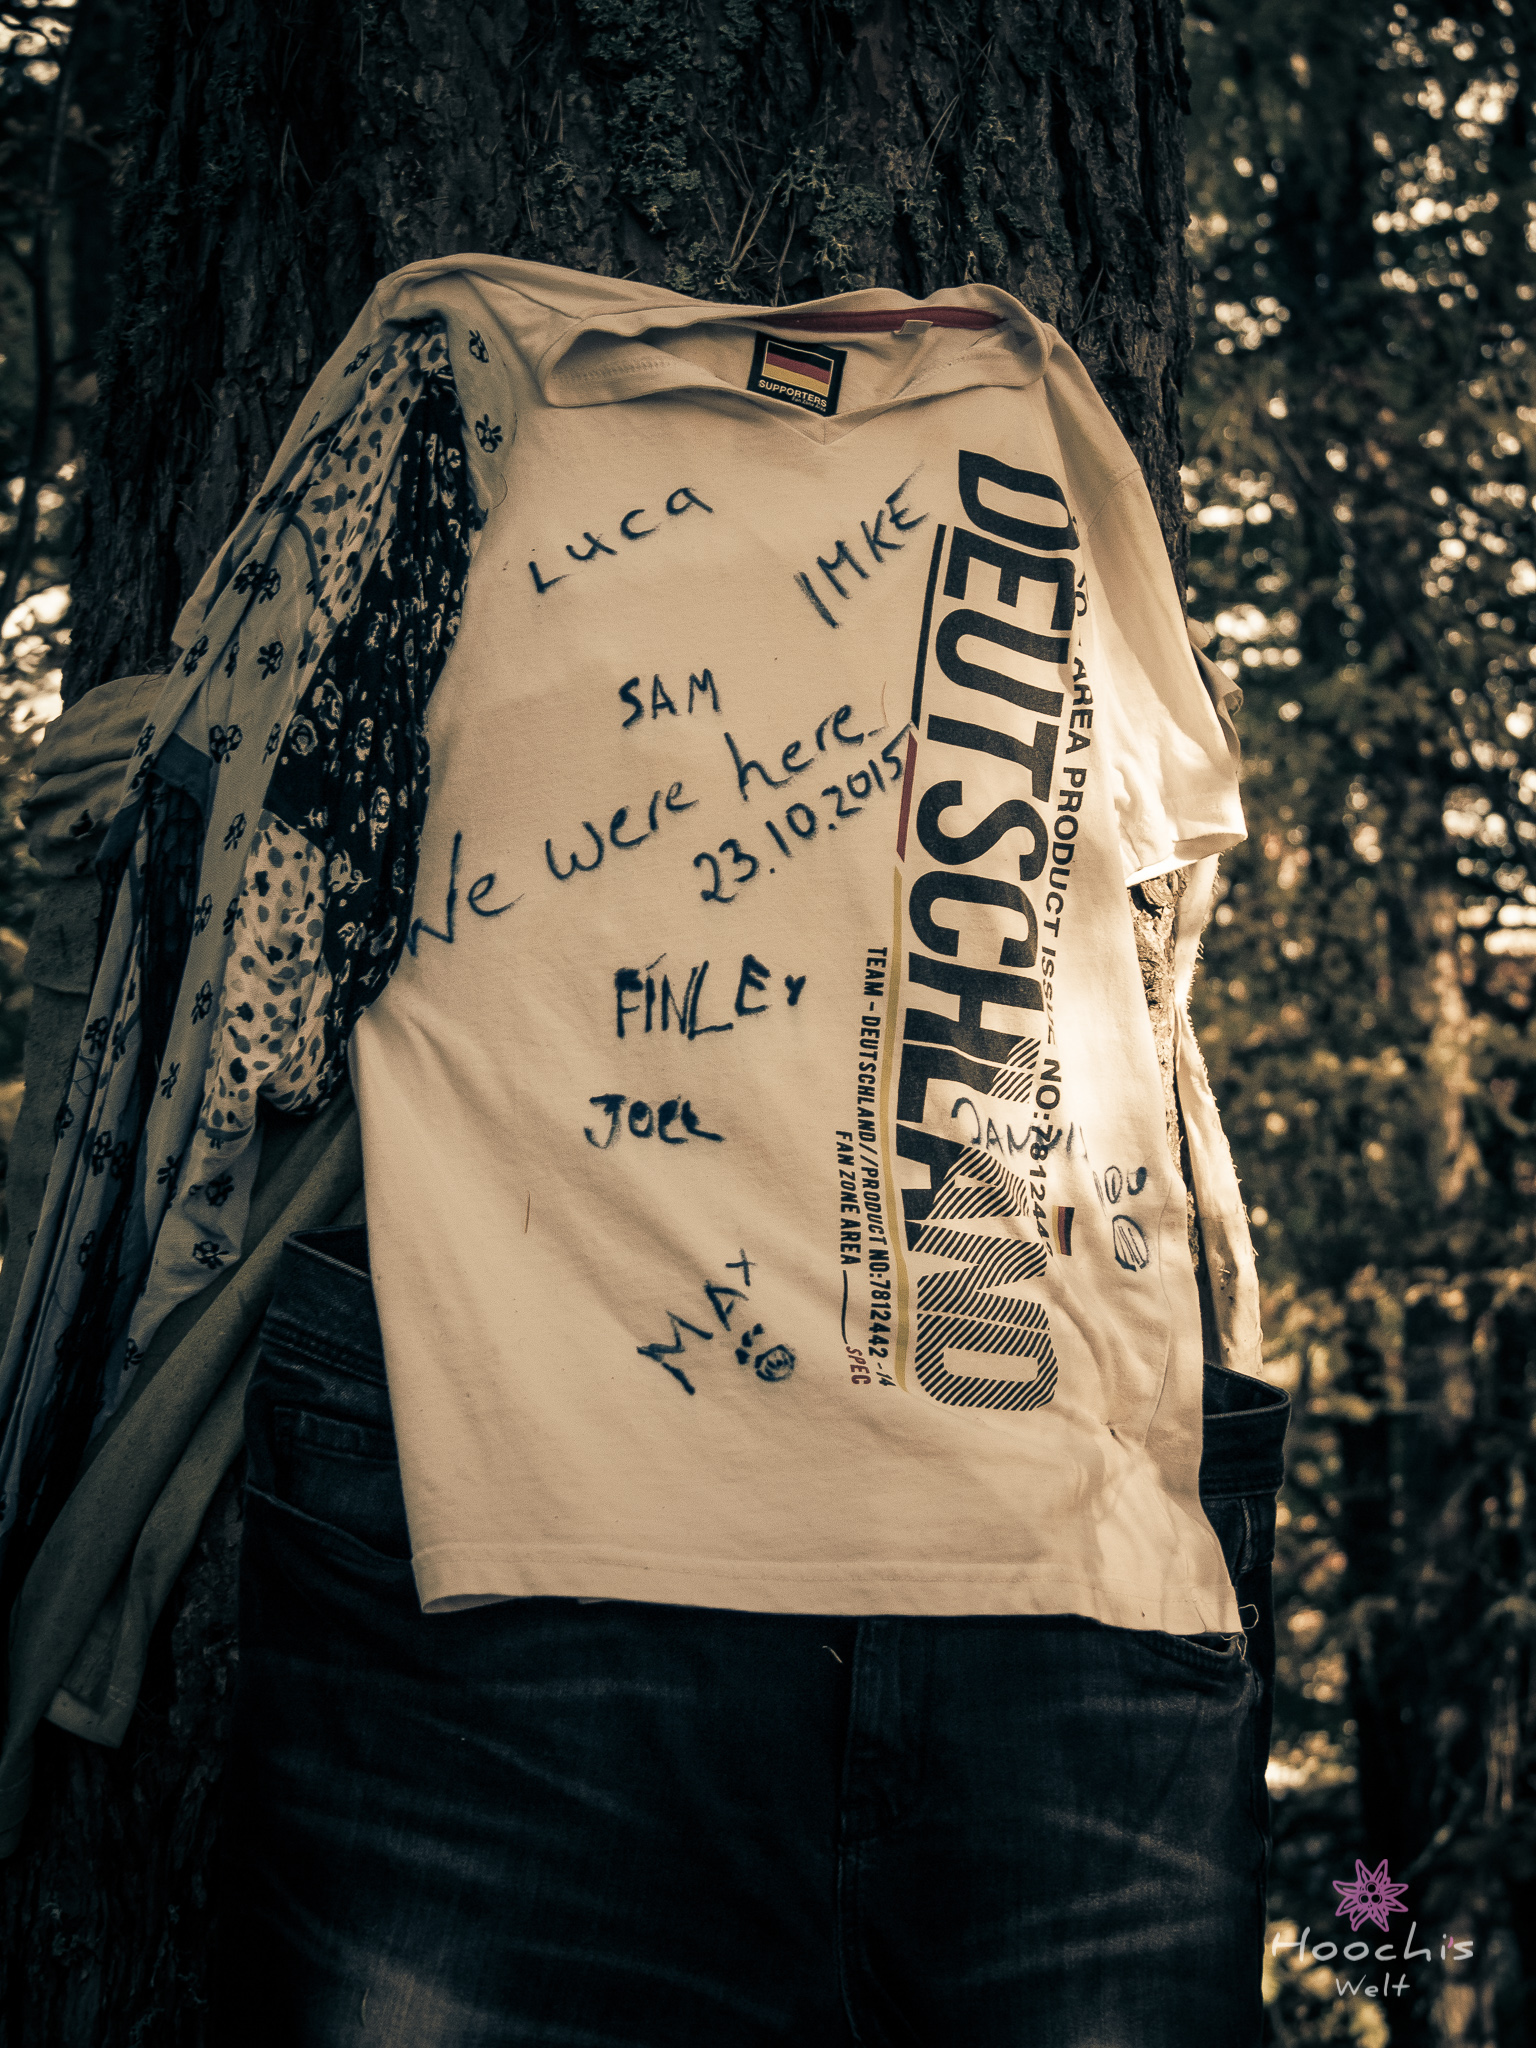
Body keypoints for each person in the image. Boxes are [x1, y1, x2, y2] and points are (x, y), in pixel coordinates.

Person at [11, 256, 1290, 2043]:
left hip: (657, 1549)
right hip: (895, 1558)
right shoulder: (1009, 421)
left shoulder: (499, 391)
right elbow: (1160, 921)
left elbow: (251, 976)